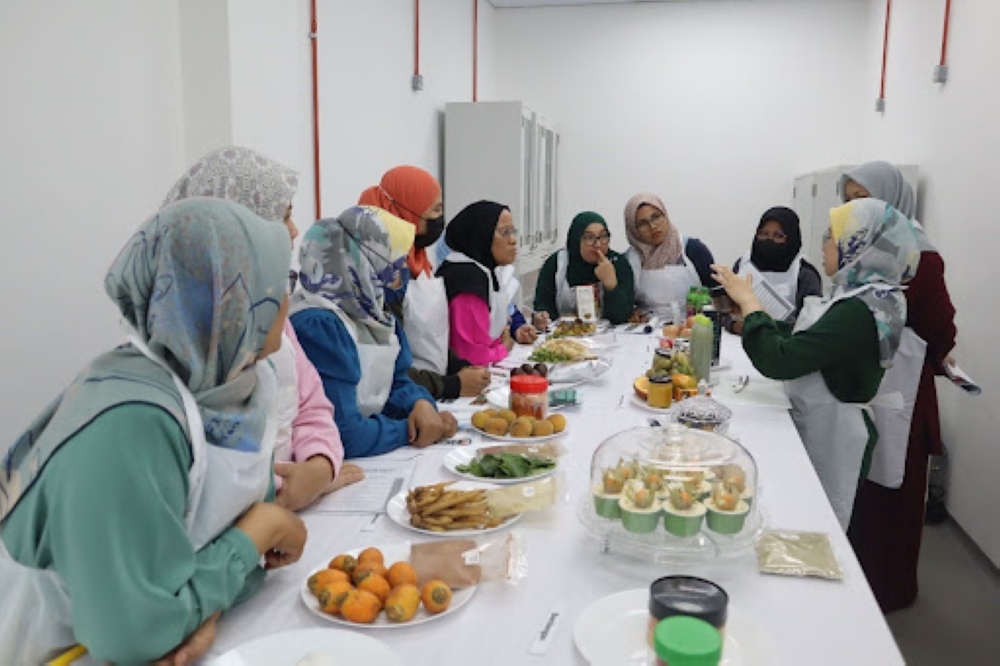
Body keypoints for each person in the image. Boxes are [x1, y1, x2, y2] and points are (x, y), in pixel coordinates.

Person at [0, 199, 307, 664]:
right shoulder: (132, 420)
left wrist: (199, 611)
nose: (288, 299)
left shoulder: (232, 383)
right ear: (230, 299)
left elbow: (211, 569)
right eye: (277, 282)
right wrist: (258, 533)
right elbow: (135, 636)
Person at [163, 145, 364, 511]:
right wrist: (283, 490)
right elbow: (197, 465)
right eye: (282, 217)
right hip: (231, 532)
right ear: (235, 226)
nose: (294, 230)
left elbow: (311, 405)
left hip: (291, 513)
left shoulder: (272, 309)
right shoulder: (182, 334)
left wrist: (318, 467)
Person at [712, 199, 921, 529]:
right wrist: (757, 316)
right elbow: (806, 336)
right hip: (828, 419)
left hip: (835, 434)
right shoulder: (865, 294)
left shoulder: (858, 309)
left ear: (861, 247)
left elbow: (780, 360)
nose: (823, 244)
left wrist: (750, 303)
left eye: (832, 237)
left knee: (817, 525)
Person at [840, 161, 958, 612]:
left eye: (865, 198)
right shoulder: (857, 248)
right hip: (863, 382)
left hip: (903, 390)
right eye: (849, 199)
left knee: (895, 493)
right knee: (861, 487)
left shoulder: (920, 256)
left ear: (891, 201)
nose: (856, 207)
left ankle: (888, 593)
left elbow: (940, 330)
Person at [291, 206, 458, 458]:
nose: (400, 276)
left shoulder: (377, 316)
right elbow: (345, 433)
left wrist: (419, 403)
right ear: (365, 264)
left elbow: (398, 380)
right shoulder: (319, 325)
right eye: (394, 263)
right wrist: (408, 430)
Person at [359, 166, 490, 400]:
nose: (440, 219)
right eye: (435, 209)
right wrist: (451, 385)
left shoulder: (420, 259)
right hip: (410, 399)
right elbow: (388, 368)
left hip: (431, 391)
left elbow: (429, 336)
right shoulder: (385, 274)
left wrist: (457, 366)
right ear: (405, 211)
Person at [436, 201, 518, 365]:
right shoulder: (467, 279)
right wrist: (505, 348)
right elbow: (472, 357)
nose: (513, 240)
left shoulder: (484, 270)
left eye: (513, 232)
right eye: (505, 232)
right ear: (482, 234)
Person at [728, 206, 823, 331]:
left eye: (778, 236)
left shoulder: (805, 274)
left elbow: (810, 324)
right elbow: (726, 312)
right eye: (763, 234)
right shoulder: (743, 264)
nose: (769, 241)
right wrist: (735, 325)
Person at [623, 193, 715, 319]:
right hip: (647, 329)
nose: (653, 226)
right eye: (643, 223)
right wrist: (632, 312)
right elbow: (625, 303)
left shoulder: (693, 250)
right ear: (634, 230)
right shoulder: (629, 260)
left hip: (692, 326)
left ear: (665, 215)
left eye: (656, 217)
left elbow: (718, 294)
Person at [534, 211, 635, 325]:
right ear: (576, 240)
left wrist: (611, 285)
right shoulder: (557, 264)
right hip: (565, 336)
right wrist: (541, 317)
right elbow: (542, 306)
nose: (597, 244)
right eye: (589, 238)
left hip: (610, 337)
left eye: (603, 236)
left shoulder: (618, 263)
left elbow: (622, 317)